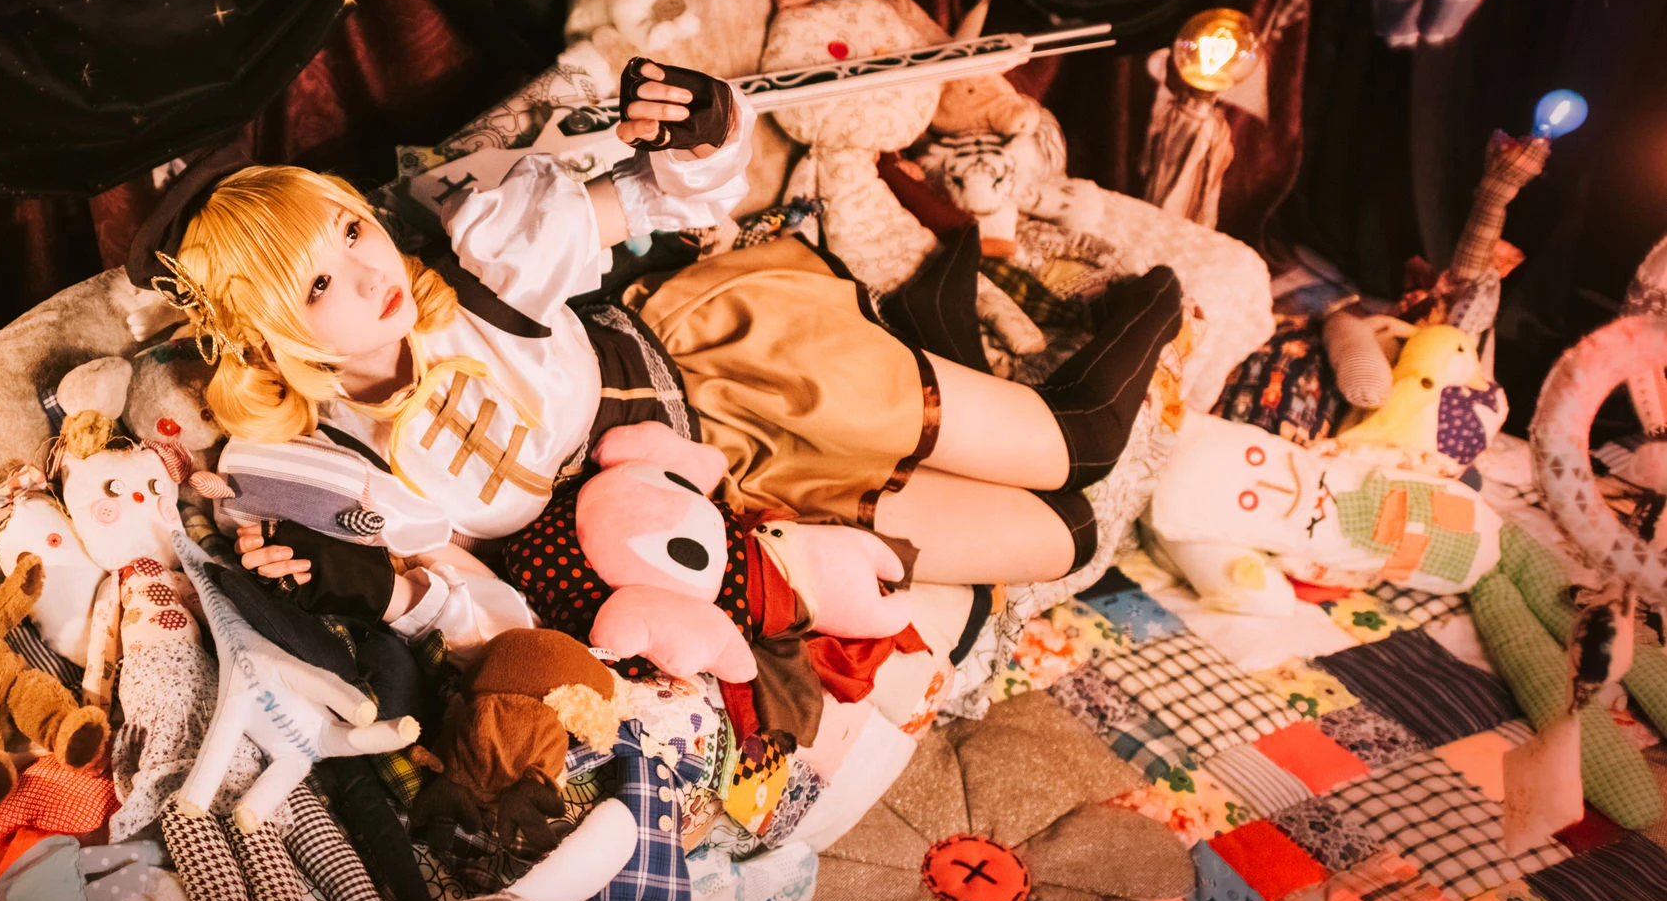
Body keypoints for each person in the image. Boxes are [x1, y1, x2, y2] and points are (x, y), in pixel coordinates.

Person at [138, 59, 1180, 647]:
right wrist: (374, 591)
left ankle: (1152, 298)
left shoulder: (484, 269)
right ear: (265, 337)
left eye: (350, 231)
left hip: (729, 371)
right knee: (1068, 535)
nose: (369, 273)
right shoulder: (342, 468)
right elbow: (485, 617)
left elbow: (658, 195)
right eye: (317, 286)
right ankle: (938, 326)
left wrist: (703, 128)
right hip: (708, 514)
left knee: (1081, 442)